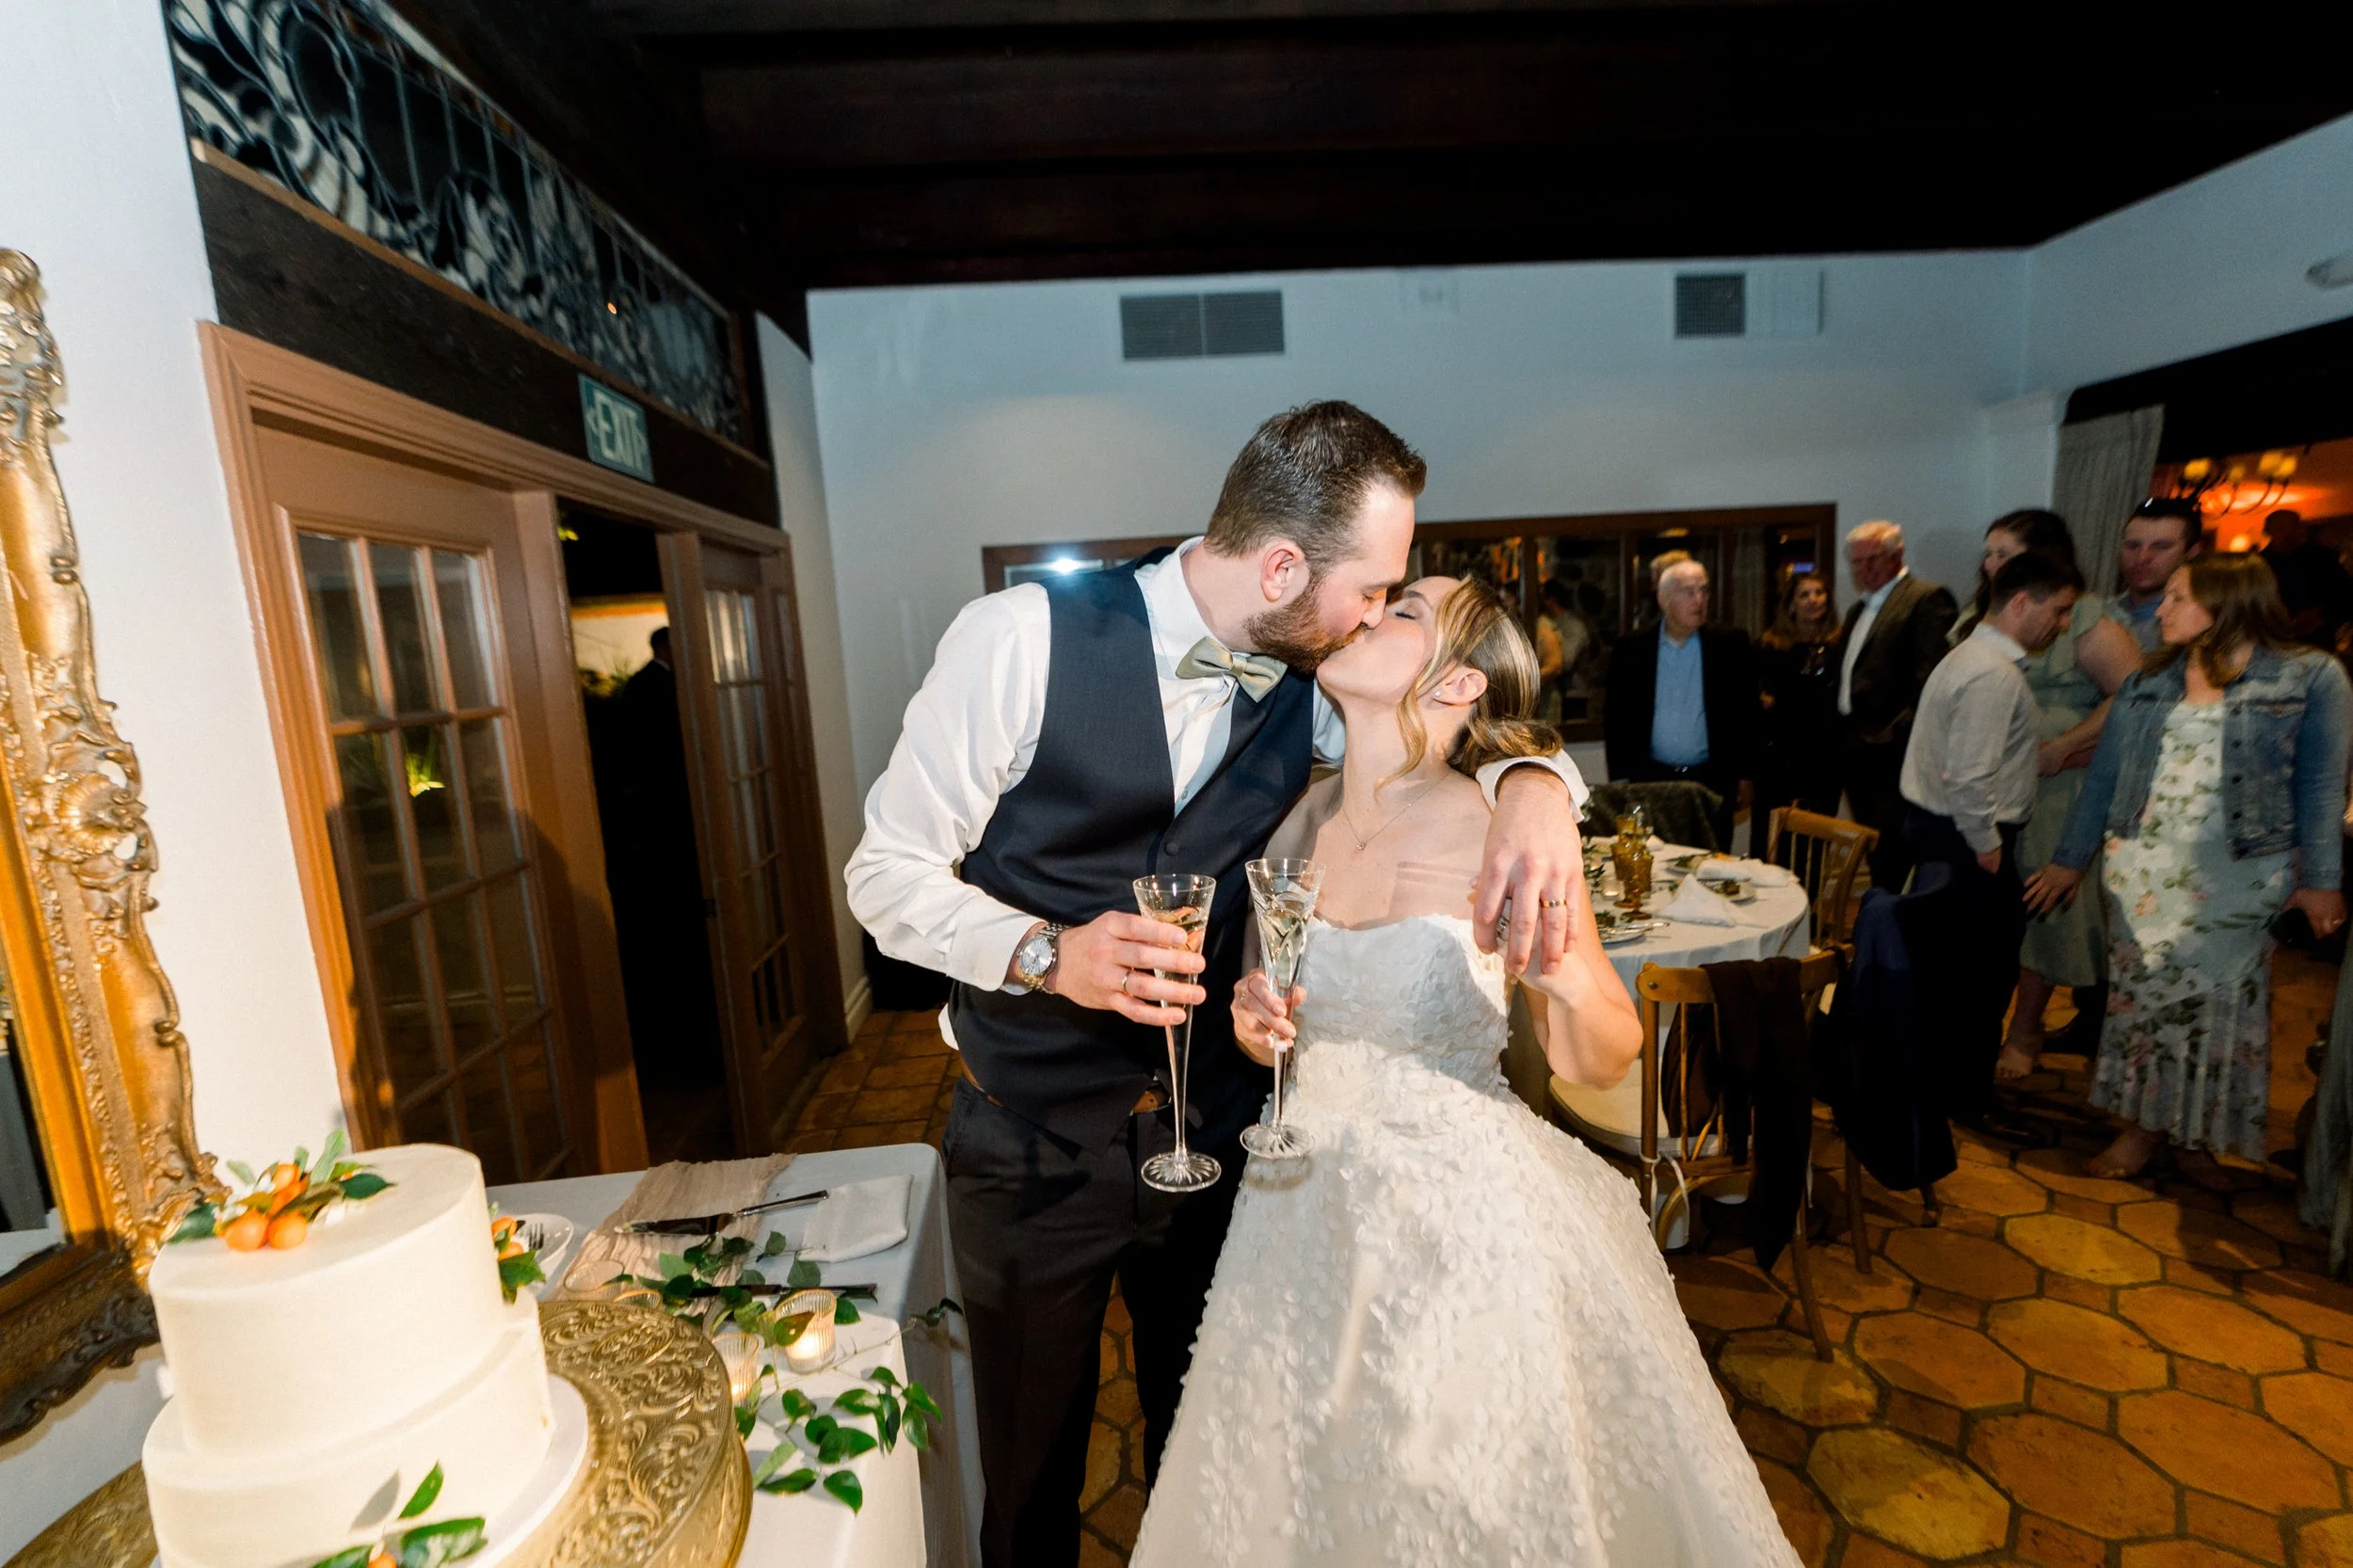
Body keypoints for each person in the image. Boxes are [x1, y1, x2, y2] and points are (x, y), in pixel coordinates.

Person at [843, 402, 1587, 1568]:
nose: (1374, 615)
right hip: (1030, 1143)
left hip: (1223, 1143)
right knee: (1028, 1476)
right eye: (1371, 589)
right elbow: (882, 875)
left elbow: (1459, 726)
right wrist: (1045, 952)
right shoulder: (1017, 639)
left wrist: (1541, 787)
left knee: (1213, 1462)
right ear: (1283, 568)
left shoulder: (1319, 680)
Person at [1130, 578, 1801, 1568]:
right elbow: (1263, 1026)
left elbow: (1600, 1053)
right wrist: (1254, 1024)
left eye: (1404, 612)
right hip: (1297, 1215)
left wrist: (1561, 980)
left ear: (1458, 683)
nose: (1369, 612)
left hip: (1453, 1227)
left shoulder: (1505, 827)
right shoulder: (1296, 823)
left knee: (1448, 1492)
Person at [2025, 554, 2351, 1183]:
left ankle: (2193, 1134)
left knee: (2220, 1010)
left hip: (2242, 879)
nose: (2162, 611)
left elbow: (2321, 785)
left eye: (2178, 597)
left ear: (2227, 603)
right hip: (2143, 874)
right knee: (2143, 1007)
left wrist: (2322, 881)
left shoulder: (2309, 677)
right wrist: (2070, 860)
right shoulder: (2148, 682)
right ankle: (2142, 1130)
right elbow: (2106, 779)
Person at [1945, 513, 2141, 1082]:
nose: (1991, 564)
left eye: (2004, 553)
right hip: (1987, 786)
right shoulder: (1979, 616)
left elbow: (2133, 695)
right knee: (1986, 912)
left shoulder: (2082, 616)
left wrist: (2063, 747)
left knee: (2043, 910)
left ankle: (2025, 1029)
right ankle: (1970, 1028)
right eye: (1989, 553)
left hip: (2056, 785)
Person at [1900, 551, 2084, 1137]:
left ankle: (1947, 1087)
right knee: (1980, 979)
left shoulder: (1971, 657)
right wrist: (1986, 844)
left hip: (1945, 831)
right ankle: (1966, 1098)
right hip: (1967, 837)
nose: (2062, 625)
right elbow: (1968, 775)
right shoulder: (1992, 673)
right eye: (2059, 611)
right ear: (2021, 603)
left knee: (1958, 974)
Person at [1602, 555, 1759, 849]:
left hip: (1712, 779)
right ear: (1664, 599)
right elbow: (1616, 717)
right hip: (1650, 778)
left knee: (1712, 861)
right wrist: (1621, 778)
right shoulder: (1632, 648)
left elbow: (1747, 713)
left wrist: (1746, 775)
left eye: (1704, 591)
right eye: (1689, 592)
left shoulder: (1730, 644)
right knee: (1655, 858)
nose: (1700, 600)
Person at [1837, 520, 1959, 888]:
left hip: (1895, 755)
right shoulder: (1858, 610)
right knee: (1877, 854)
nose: (1865, 569)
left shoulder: (1926, 598)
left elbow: (1932, 681)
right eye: (1857, 562)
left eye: (1873, 559)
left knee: (1896, 858)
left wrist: (1892, 733)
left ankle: (1894, 921)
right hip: (1857, 752)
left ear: (1897, 555)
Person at [1755, 570, 1844, 817]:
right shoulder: (1770, 646)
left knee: (1819, 832)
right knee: (1773, 833)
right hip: (1779, 760)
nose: (1813, 599)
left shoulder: (1840, 644)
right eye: (1804, 595)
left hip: (1824, 761)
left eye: (1819, 593)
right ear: (1791, 604)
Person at [2107, 498, 2201, 652]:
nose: (2142, 558)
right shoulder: (2099, 612)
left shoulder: (2194, 628)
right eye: (2132, 546)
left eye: (2161, 547)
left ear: (2191, 553)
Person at [2262, 508, 2353, 648]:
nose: (2287, 533)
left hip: (2320, 639)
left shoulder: (2323, 557)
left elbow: (2345, 594)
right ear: (2268, 531)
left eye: (2292, 526)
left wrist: (2321, 616)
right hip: (2275, 641)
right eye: (2280, 528)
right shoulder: (2258, 565)